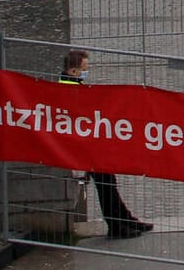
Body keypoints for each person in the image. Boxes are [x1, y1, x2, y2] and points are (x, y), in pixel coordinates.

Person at [59, 50, 152, 239]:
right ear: (74, 70)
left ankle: (125, 220)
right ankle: (117, 226)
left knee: (108, 182)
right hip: (85, 146)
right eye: (84, 69)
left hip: (91, 144)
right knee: (105, 184)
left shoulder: (73, 85)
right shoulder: (68, 88)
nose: (86, 72)